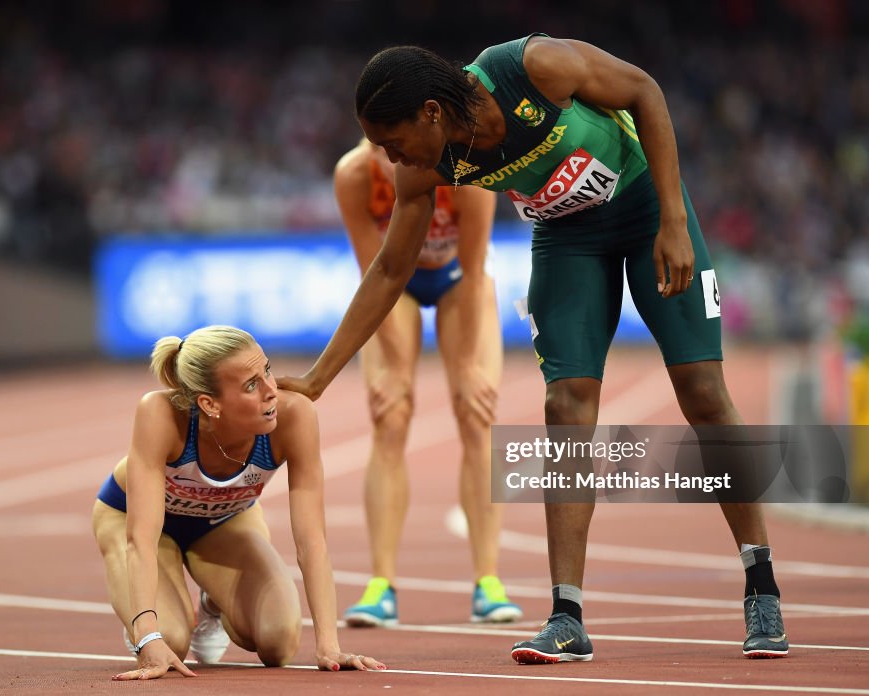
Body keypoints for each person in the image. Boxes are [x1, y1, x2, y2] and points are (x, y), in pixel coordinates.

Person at [278, 35, 789, 664]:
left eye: (391, 139)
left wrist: (674, 223)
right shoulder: (422, 168)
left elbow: (644, 92)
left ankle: (760, 584)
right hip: (565, 237)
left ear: (431, 112)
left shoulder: (530, 67)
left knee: (703, 393)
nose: (387, 156)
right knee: (566, 404)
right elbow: (389, 272)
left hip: (643, 208)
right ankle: (566, 615)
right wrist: (317, 379)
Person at [92, 325, 385, 680]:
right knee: (169, 641)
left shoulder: (295, 416)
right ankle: (146, 617)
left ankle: (210, 603)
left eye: (268, 370)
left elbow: (312, 541)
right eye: (251, 385)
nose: (272, 391)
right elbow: (141, 539)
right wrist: (147, 633)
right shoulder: (160, 414)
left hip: (224, 522)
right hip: (132, 520)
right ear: (209, 404)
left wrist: (329, 645)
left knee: (278, 642)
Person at [333, 138, 521, 625]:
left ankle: (488, 581)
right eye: (379, 150)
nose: (389, 162)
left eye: (395, 148)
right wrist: (395, 374)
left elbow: (476, 271)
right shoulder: (354, 176)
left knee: (475, 412)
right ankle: (381, 586)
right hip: (397, 285)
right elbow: (377, 275)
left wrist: (467, 369)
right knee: (390, 416)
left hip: (462, 278)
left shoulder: (466, 171)